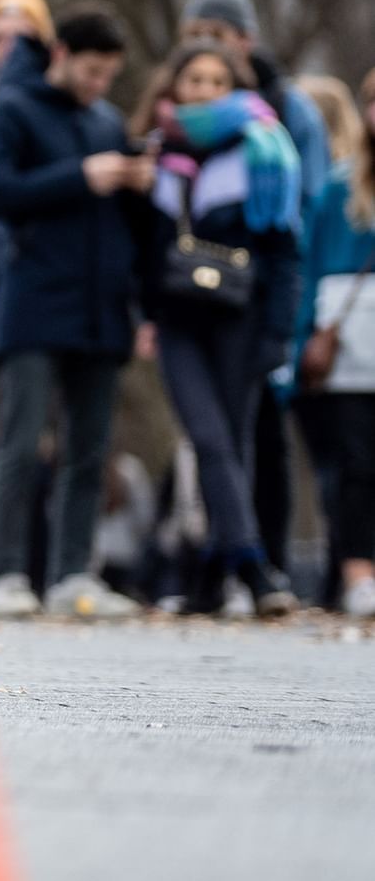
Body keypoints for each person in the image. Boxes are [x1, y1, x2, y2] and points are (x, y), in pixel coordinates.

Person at [0, 1, 148, 620]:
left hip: (101, 309)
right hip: (34, 303)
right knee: (20, 444)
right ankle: (5, 572)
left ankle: (74, 573)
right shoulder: (14, 110)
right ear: (63, 56)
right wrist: (80, 176)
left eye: (110, 75)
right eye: (92, 71)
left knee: (90, 450)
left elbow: (126, 226)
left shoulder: (106, 122)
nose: (100, 86)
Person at [134, 39, 302, 618]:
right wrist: (142, 314)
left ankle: (208, 571)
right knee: (208, 439)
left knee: (232, 444)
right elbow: (141, 251)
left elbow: (284, 253)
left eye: (215, 82)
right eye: (194, 80)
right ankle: (253, 567)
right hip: (178, 321)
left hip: (242, 318)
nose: (203, 91)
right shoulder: (154, 154)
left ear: (234, 90)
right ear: (174, 86)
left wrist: (279, 334)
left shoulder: (264, 150)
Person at [178, 0, 327, 576]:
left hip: (265, 291)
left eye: (217, 35)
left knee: (266, 430)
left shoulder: (287, 112)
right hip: (199, 298)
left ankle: (269, 556)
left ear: (246, 39)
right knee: (218, 435)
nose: (208, 46)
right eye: (196, 37)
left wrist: (289, 309)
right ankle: (224, 562)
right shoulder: (179, 120)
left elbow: (308, 207)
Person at [292, 68, 375, 619]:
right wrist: (300, 345)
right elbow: (311, 271)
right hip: (350, 349)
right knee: (356, 466)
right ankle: (358, 573)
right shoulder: (339, 188)